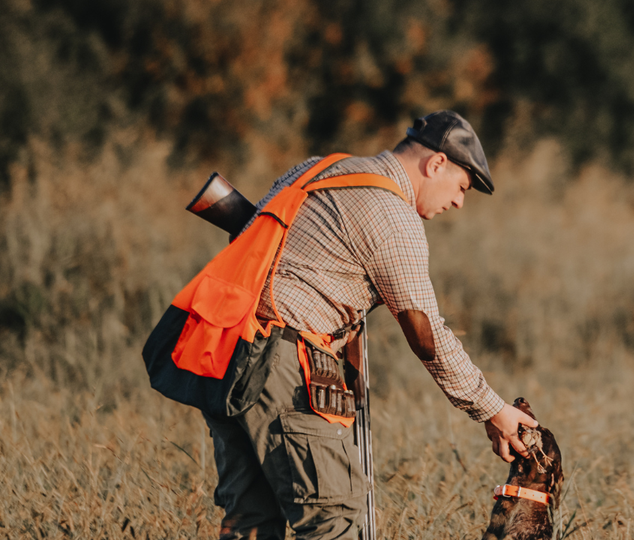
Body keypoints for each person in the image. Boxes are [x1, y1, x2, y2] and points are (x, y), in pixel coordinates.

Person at [203, 110, 538, 539]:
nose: (458, 202)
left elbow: (250, 237)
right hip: (284, 365)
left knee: (250, 521)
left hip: (226, 352)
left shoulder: (317, 168)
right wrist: (492, 409)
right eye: (460, 186)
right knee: (335, 520)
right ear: (436, 164)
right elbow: (426, 336)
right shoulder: (393, 217)